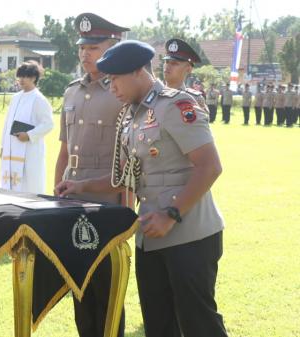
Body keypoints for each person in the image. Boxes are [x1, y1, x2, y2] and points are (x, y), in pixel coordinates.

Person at [56, 40, 228, 337]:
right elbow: (125, 176)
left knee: (198, 323)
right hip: (150, 236)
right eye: (107, 80)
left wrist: (171, 214)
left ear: (138, 72)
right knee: (158, 325)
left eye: (116, 79)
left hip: (189, 234)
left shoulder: (176, 104)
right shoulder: (130, 116)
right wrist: (80, 184)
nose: (111, 87)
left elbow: (210, 167)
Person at [54, 13, 129, 337]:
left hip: (108, 205)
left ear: (113, 47)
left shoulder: (122, 91)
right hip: (71, 203)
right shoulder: (71, 92)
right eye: (82, 47)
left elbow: (130, 164)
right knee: (79, 287)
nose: (85, 53)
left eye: (94, 47)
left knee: (108, 291)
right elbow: (63, 150)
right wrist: (53, 193)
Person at [0, 61, 53, 193]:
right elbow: (7, 124)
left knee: (28, 186)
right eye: (20, 76)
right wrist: (3, 146)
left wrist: (29, 135)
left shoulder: (39, 99)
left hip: (29, 149)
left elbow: (48, 124)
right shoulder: (15, 98)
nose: (21, 80)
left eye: (25, 76)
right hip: (11, 148)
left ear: (34, 78)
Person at [162, 38, 208, 112]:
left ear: (188, 69)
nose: (167, 66)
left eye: (174, 63)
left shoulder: (195, 99)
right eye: (166, 62)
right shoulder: (152, 96)